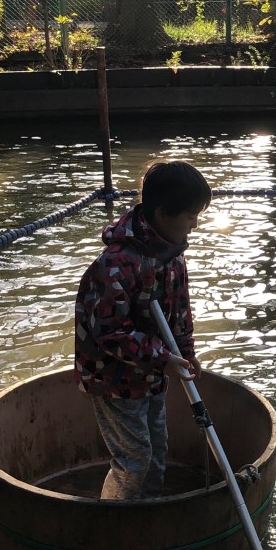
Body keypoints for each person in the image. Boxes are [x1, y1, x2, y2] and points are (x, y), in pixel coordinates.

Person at [74, 159, 212, 500]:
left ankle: (149, 516)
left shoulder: (173, 257)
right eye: (191, 215)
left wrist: (185, 354)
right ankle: (114, 520)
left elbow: (180, 312)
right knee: (134, 460)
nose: (195, 224)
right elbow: (109, 332)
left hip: (153, 375)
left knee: (156, 453)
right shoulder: (116, 264)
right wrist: (162, 359)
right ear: (164, 213)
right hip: (114, 379)